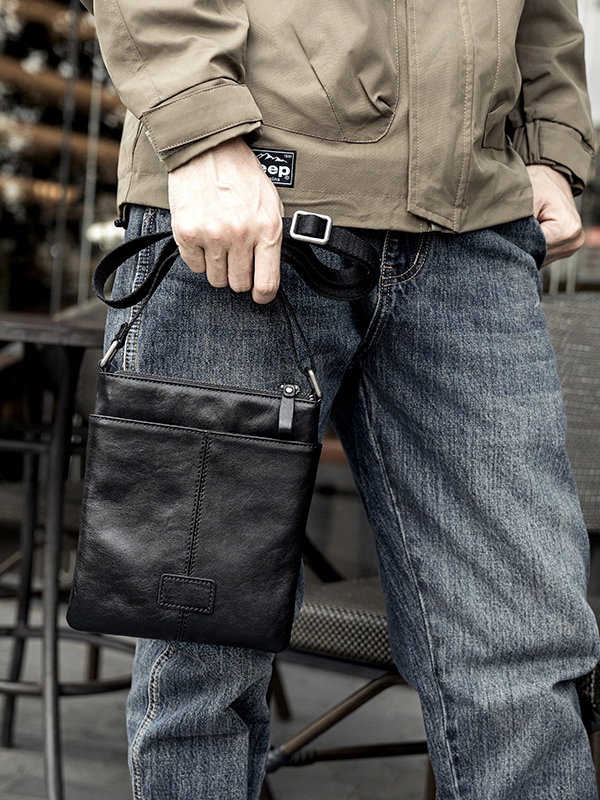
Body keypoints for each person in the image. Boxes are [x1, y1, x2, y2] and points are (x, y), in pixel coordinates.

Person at [81, 0, 599, 797]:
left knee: (526, 658)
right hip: (248, 199)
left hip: (475, 222)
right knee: (199, 656)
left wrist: (549, 144)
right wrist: (200, 126)